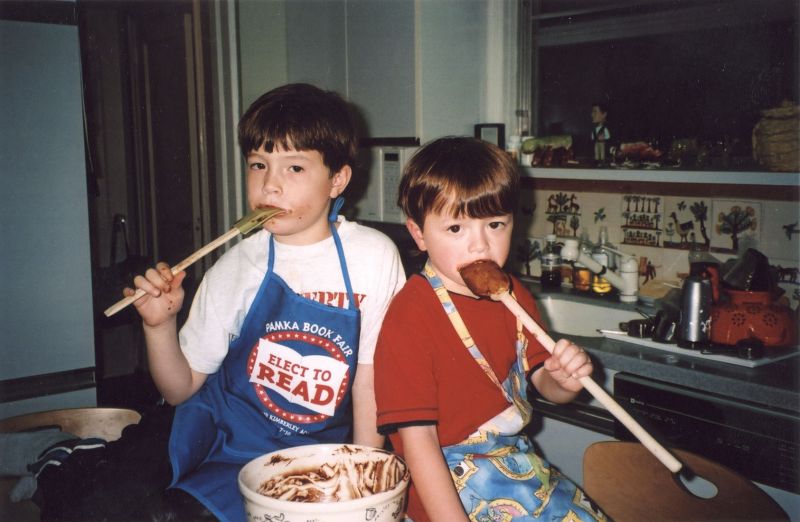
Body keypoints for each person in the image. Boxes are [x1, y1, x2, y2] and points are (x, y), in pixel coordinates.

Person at [33, 83, 406, 522]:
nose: (270, 184)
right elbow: (179, 390)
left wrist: (359, 471)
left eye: (295, 168)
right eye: (258, 164)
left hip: (310, 453)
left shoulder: (372, 257)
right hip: (215, 434)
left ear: (337, 179)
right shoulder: (236, 266)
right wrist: (159, 326)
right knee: (109, 505)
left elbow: (370, 379)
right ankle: (69, 461)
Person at [374, 137, 607, 522]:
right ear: (418, 234)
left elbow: (540, 383)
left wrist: (562, 380)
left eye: (495, 224)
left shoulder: (513, 295)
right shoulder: (409, 317)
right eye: (455, 229)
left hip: (511, 462)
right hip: (445, 487)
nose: (480, 244)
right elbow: (418, 443)